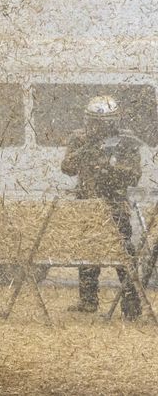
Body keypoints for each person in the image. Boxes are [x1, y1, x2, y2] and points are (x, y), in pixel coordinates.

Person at [60, 95, 142, 320]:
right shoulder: (80, 138)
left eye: (102, 123)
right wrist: (88, 149)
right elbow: (67, 167)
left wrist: (109, 169)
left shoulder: (126, 140)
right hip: (88, 204)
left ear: (113, 122)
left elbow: (135, 175)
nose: (97, 127)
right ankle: (88, 300)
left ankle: (131, 304)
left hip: (115, 205)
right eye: (93, 122)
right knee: (87, 253)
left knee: (124, 255)